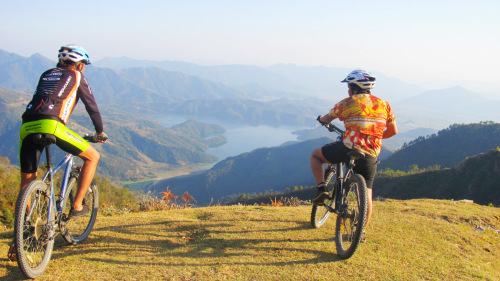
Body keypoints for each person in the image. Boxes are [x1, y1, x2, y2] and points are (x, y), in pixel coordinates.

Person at [8, 45, 107, 261]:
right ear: (80, 64)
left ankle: (21, 235)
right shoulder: (77, 75)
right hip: (52, 126)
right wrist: (100, 132)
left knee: (27, 182)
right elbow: (92, 107)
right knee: (93, 157)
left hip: (26, 127)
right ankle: (78, 205)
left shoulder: (47, 74)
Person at [310, 69, 397, 242]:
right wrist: (376, 136)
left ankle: (321, 189)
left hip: (348, 147)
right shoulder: (384, 105)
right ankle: (360, 233)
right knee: (367, 194)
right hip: (371, 153)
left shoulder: (347, 103)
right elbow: (393, 131)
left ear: (355, 88)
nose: (348, 90)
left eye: (349, 87)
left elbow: (328, 118)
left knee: (316, 156)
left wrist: (321, 119)